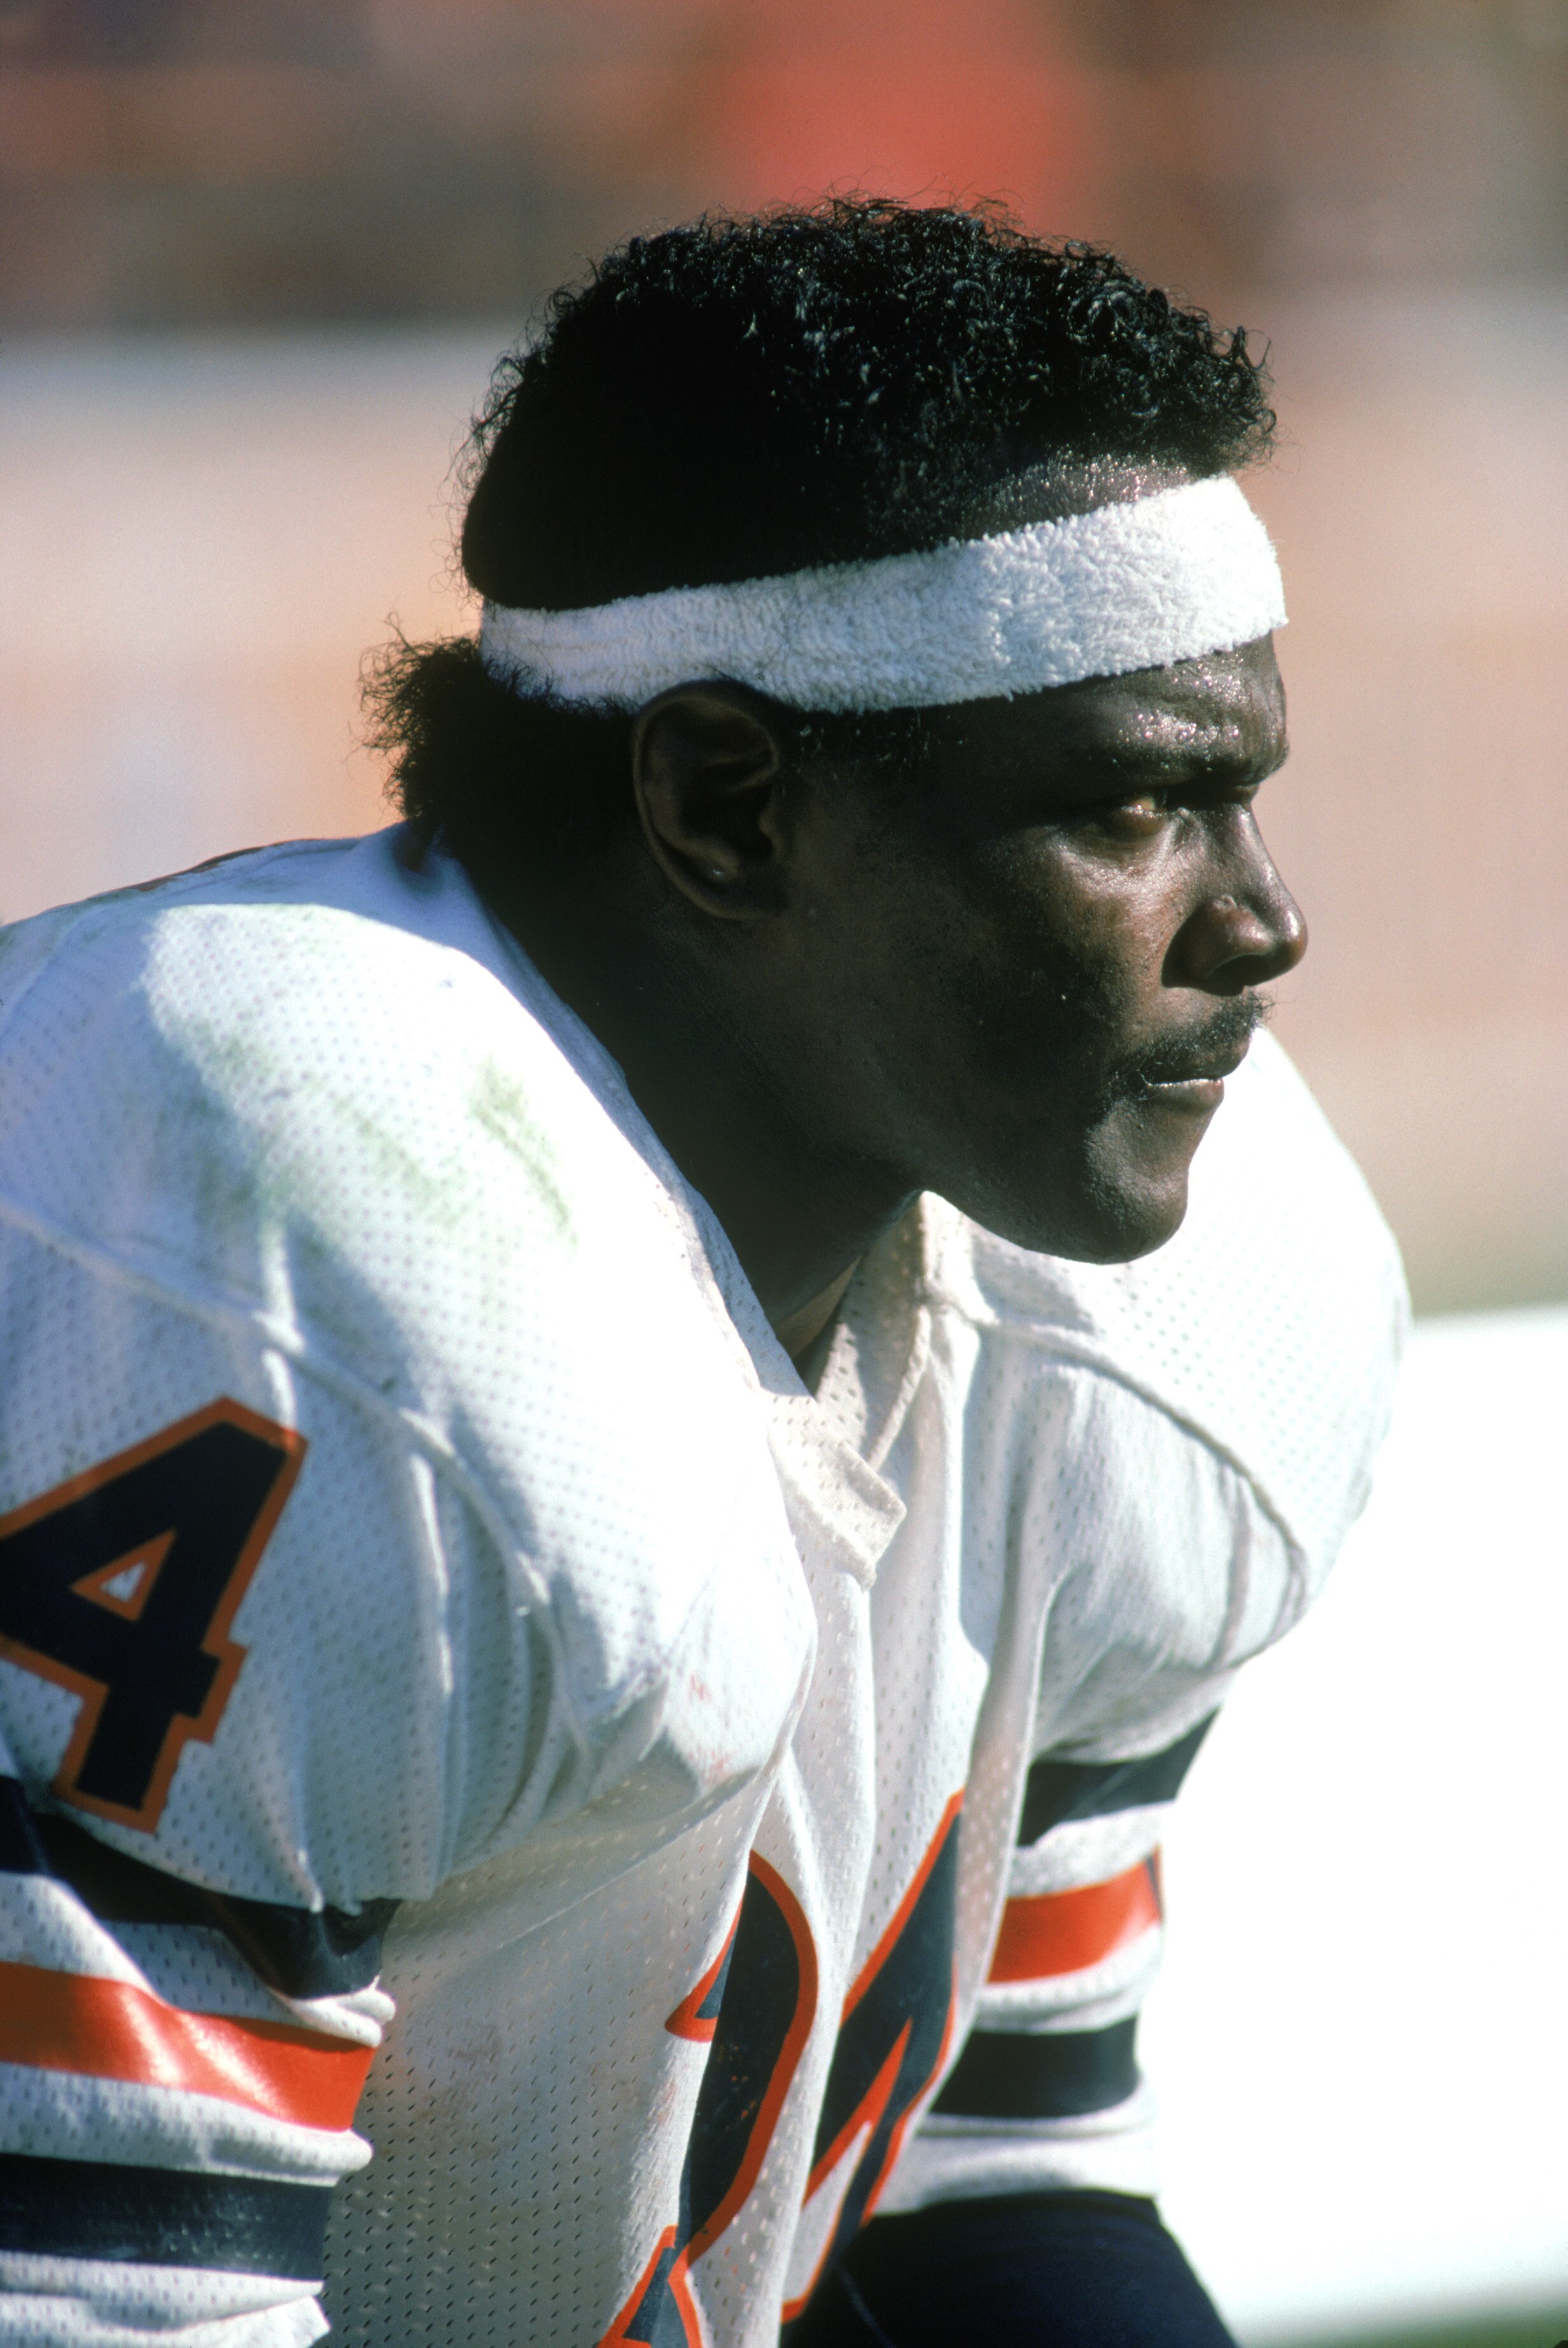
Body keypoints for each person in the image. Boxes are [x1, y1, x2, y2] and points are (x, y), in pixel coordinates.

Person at [0, 200, 1404, 2348]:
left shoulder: (1142, 1335)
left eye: (1250, 795)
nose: (1264, 920)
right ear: (730, 806)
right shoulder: (300, 1225)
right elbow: (105, 2304)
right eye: (1139, 804)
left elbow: (995, 2197)